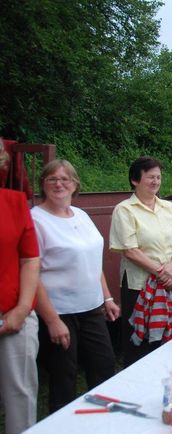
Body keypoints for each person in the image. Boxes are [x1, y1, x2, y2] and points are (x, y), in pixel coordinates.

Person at [31, 160, 120, 412]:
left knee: (103, 366)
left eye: (64, 179)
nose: (59, 184)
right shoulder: (36, 220)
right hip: (59, 311)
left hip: (92, 308)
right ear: (43, 185)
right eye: (52, 179)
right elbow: (32, 275)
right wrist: (51, 321)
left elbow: (92, 261)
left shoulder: (81, 215)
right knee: (64, 377)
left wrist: (107, 298)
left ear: (75, 184)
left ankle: (102, 422)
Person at [109, 156, 172, 367]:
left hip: (168, 283)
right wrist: (162, 273)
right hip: (139, 285)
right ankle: (136, 382)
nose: (155, 181)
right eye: (150, 177)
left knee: (166, 335)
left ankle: (163, 375)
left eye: (158, 177)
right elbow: (130, 250)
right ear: (135, 180)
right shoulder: (125, 209)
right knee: (139, 340)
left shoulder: (170, 208)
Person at [0, 143, 40, 434]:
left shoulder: (13, 203)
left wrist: (22, 309)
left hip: (13, 315)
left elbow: (29, 260)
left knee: (20, 398)